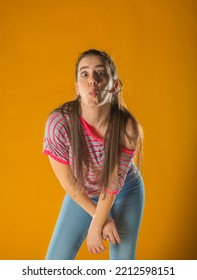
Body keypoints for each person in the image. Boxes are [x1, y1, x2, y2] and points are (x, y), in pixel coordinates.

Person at [42, 49, 145, 260]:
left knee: (123, 267)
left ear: (114, 85)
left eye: (100, 73)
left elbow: (112, 183)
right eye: (84, 74)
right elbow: (70, 184)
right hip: (83, 191)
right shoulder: (59, 124)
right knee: (54, 264)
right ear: (77, 88)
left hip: (124, 191)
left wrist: (96, 225)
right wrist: (102, 219)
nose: (92, 81)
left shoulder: (128, 128)